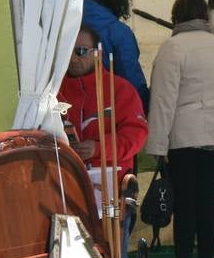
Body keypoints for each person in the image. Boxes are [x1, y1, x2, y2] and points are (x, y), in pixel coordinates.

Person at [147, 0, 214, 258]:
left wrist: (158, 145)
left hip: (184, 137)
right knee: (207, 202)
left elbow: (163, 101)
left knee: (185, 205)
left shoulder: (172, 48)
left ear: (176, 17)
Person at [59, 24, 149, 182]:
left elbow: (136, 136)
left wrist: (98, 148)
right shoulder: (55, 91)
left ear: (98, 53)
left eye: (81, 51)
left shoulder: (120, 89)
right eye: (68, 51)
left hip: (111, 184)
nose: (73, 59)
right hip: (66, 182)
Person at [83, 0, 150, 111]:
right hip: (107, 107)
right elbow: (130, 76)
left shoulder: (68, 20)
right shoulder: (118, 32)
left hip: (67, 103)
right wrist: (144, 102)